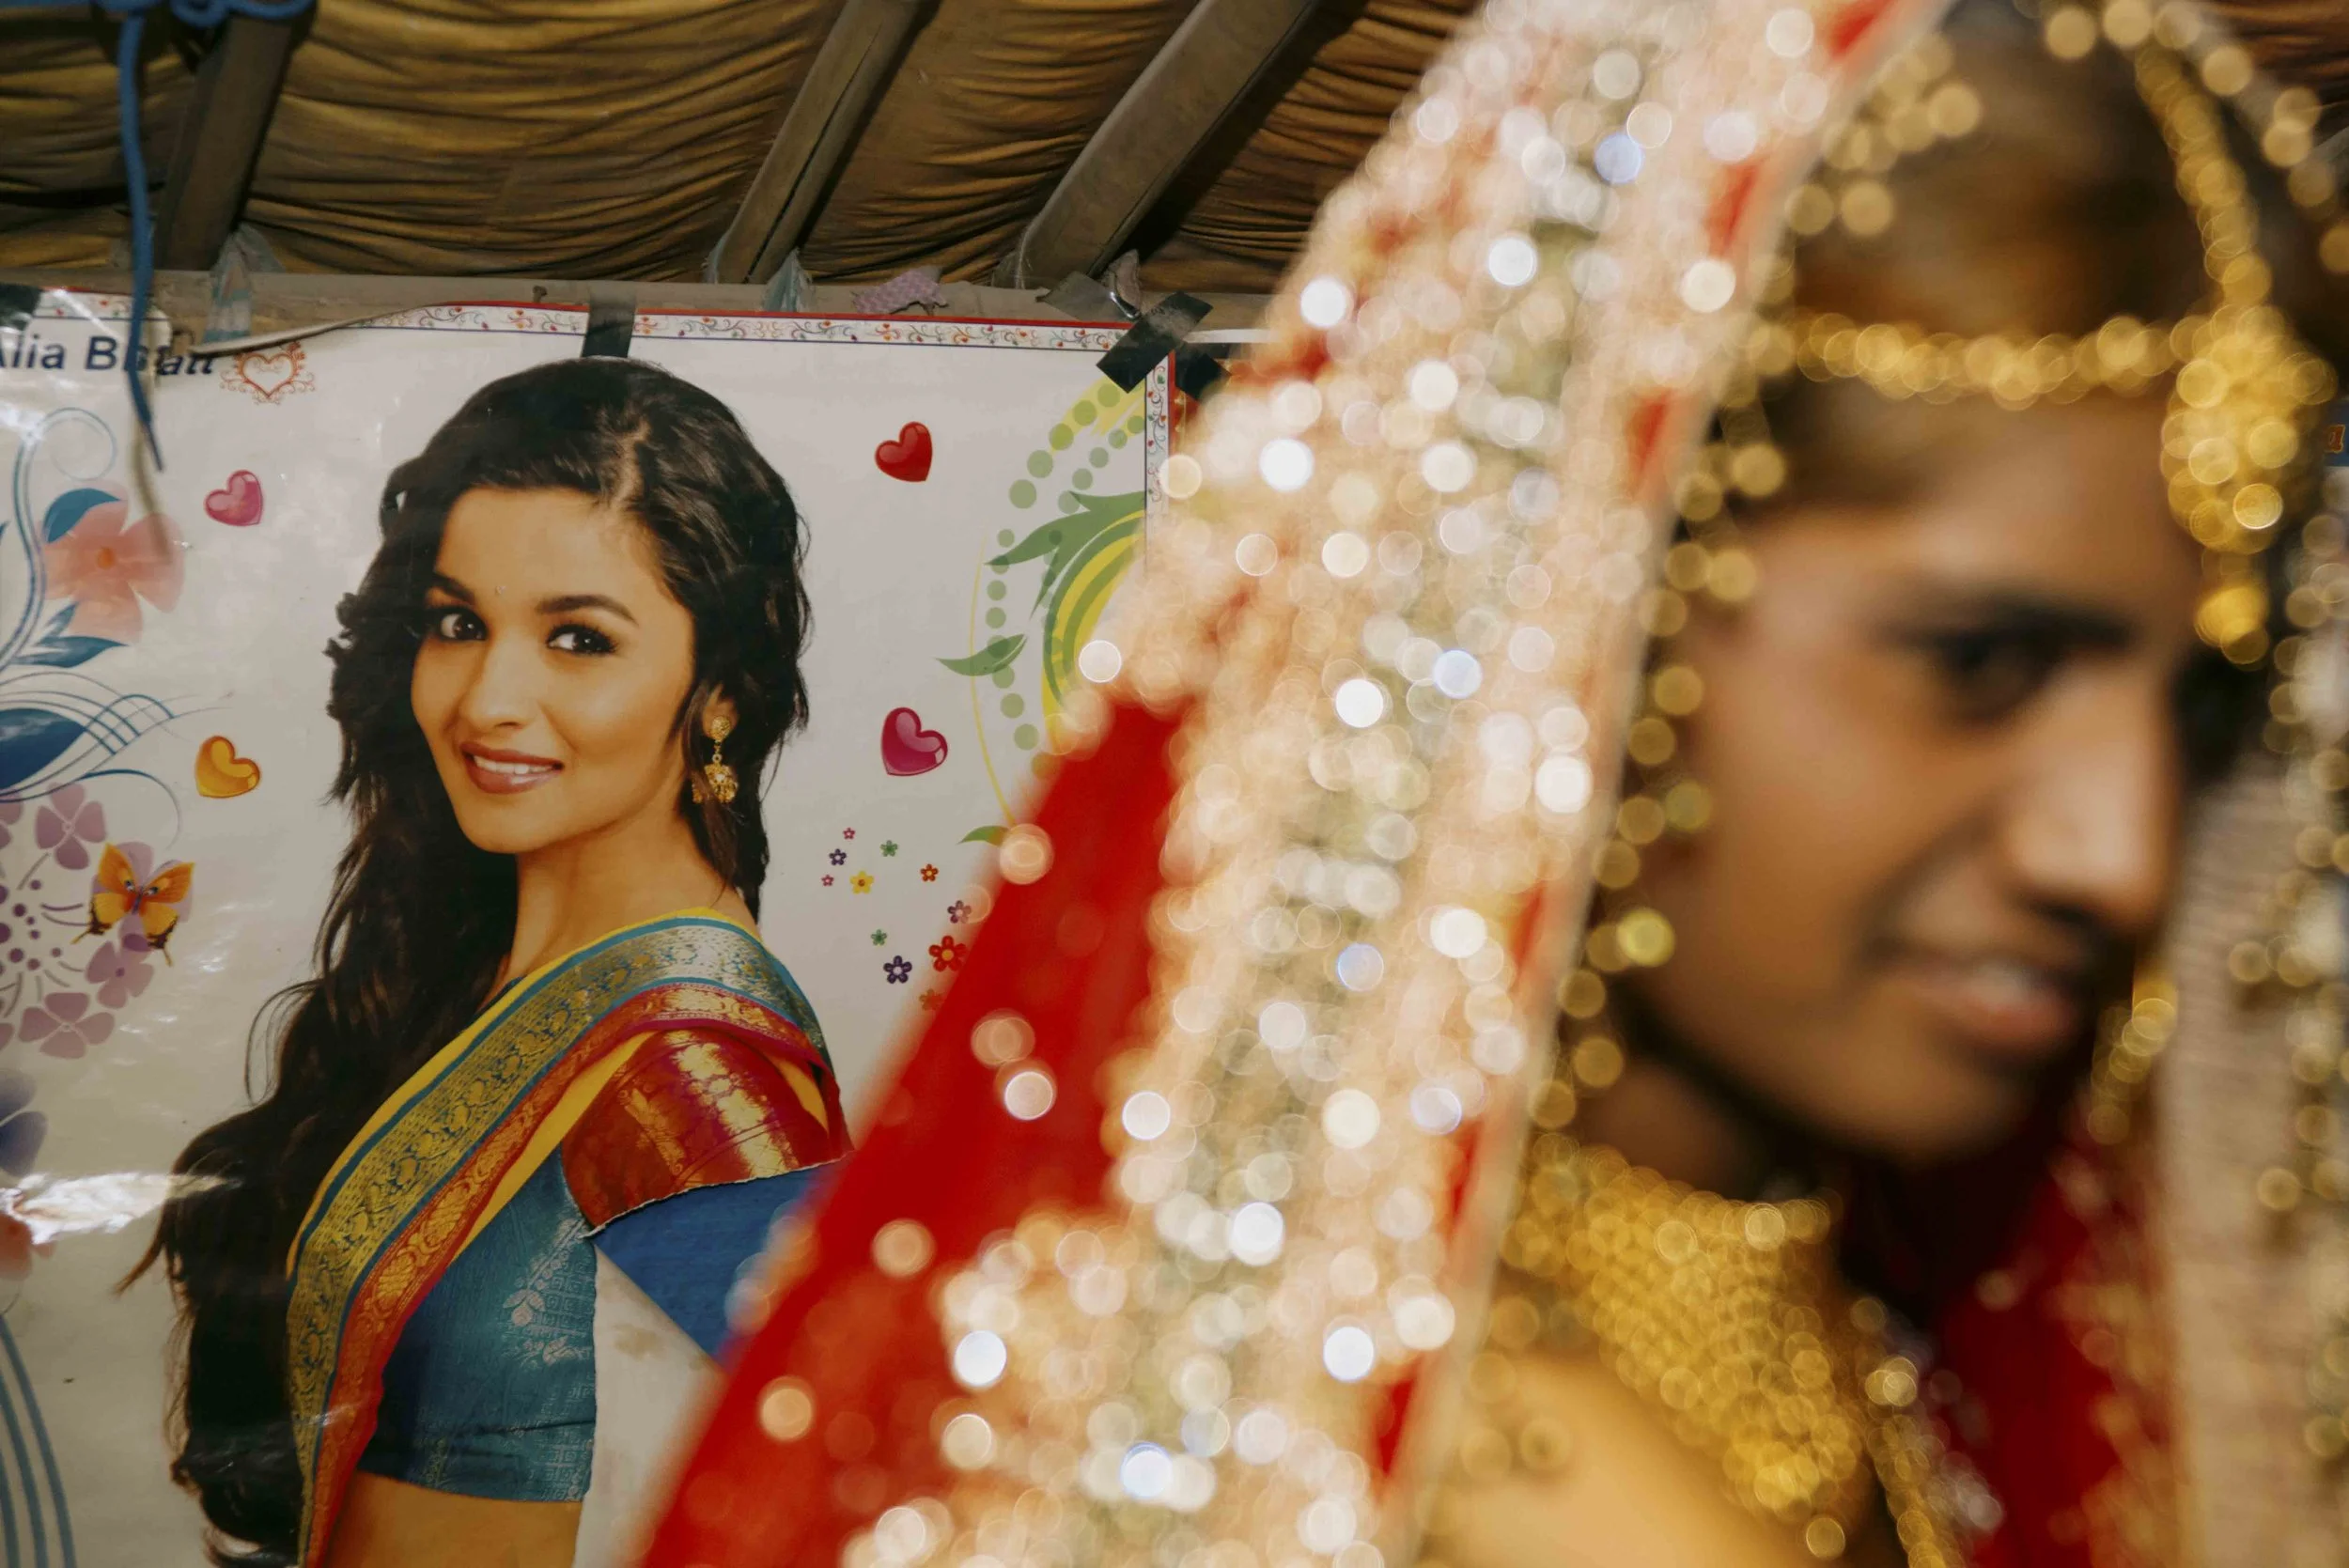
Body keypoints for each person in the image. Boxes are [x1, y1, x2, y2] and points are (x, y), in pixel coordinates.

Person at [628, 2, 2349, 1566]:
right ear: (1571, 607)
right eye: (1977, 666)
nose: (2115, 854)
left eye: (2198, 709)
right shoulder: (1349, 1457)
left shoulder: (1891, 1350)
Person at [141, 357, 850, 1568]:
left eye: (578, 638)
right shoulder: (466, 985)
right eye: (458, 624)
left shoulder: (692, 1073)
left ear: (719, 691)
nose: (488, 698)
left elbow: (826, 1486)